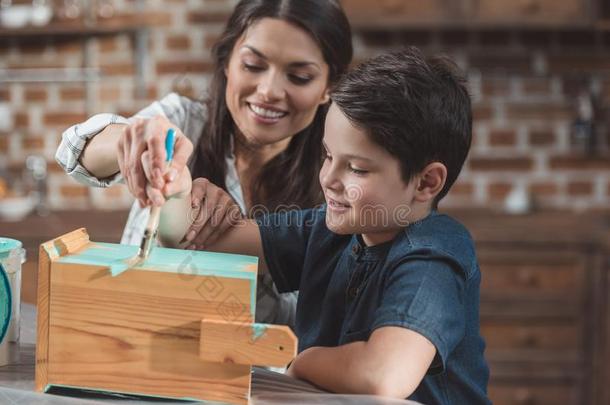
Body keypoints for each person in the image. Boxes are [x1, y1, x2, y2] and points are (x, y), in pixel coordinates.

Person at [159, 47, 491, 403]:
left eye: (357, 168)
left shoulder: (433, 256)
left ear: (426, 183)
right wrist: (178, 188)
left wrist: (304, 362)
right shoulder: (327, 229)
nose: (328, 178)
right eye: (328, 156)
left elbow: (382, 375)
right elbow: (186, 236)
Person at [55, 0, 353, 327]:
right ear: (227, 62)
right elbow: (75, 149)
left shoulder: (339, 181)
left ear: (329, 86)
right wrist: (133, 139)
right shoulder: (182, 122)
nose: (269, 91)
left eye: (298, 76)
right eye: (253, 65)